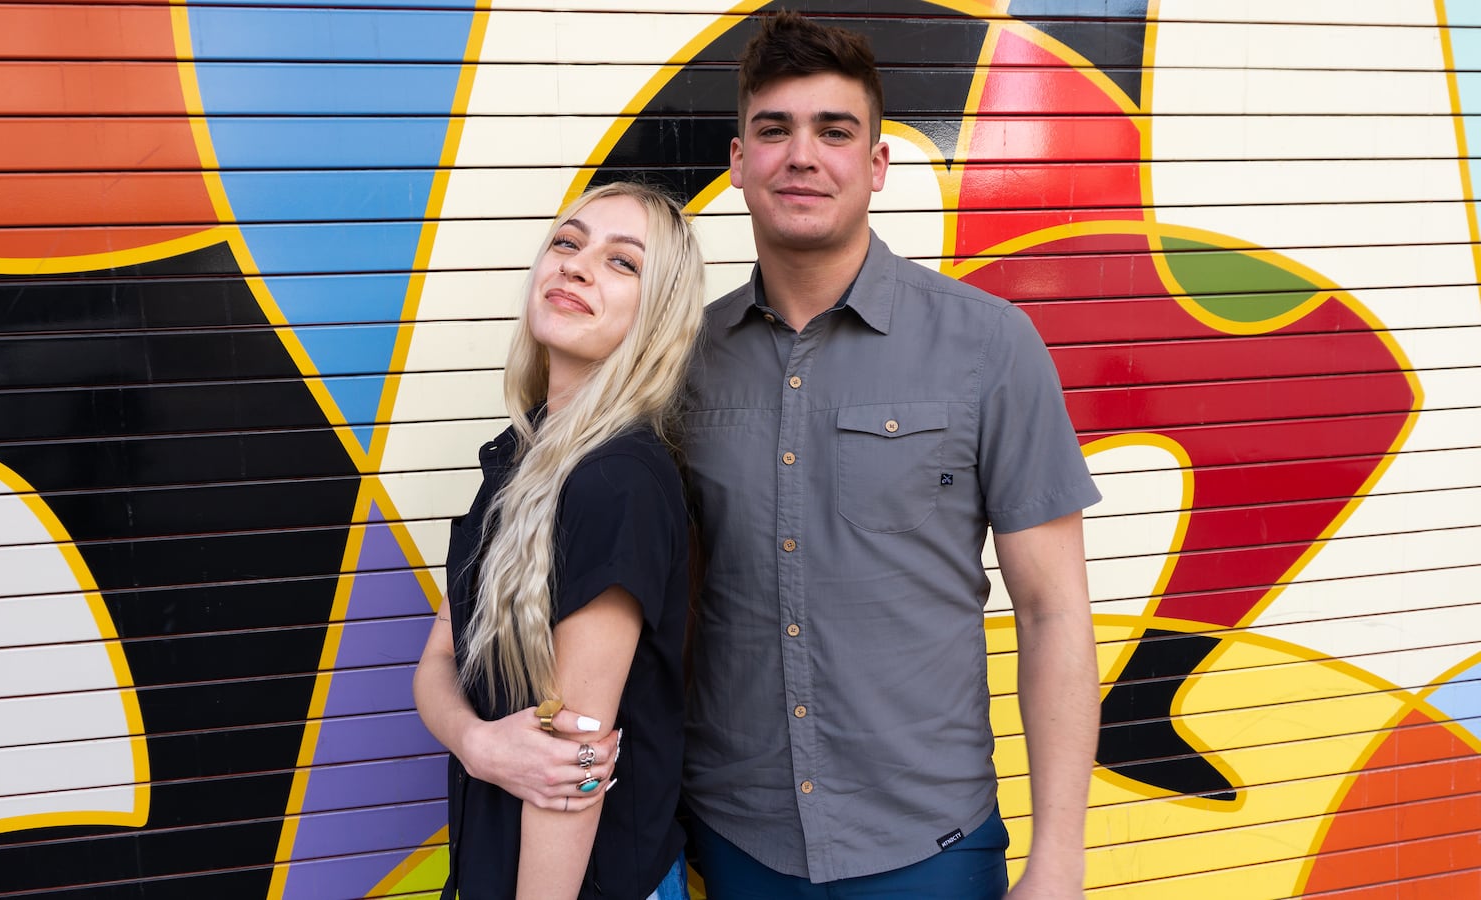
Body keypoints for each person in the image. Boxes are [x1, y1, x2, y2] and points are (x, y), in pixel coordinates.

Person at [425, 12, 1101, 900]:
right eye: (774, 130)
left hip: (928, 846)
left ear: (878, 164)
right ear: (739, 163)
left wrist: (1058, 862)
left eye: (835, 131)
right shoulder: (673, 367)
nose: (802, 156)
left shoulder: (989, 347)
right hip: (732, 841)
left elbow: (1054, 614)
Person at [413, 181, 705, 900]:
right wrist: (479, 745)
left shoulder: (616, 483)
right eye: (568, 243)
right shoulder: (522, 456)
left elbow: (572, 768)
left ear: (657, 312)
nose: (576, 265)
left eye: (622, 261)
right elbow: (439, 660)